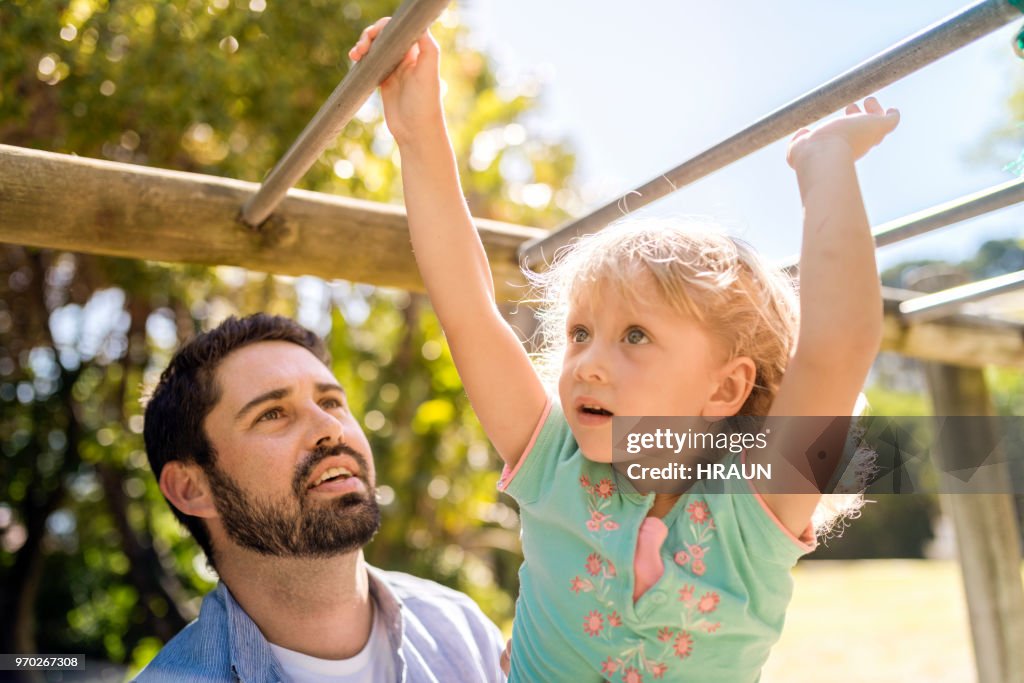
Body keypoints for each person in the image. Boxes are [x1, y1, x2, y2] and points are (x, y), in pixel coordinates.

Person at [351, 18, 899, 682]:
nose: (587, 362)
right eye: (579, 333)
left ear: (725, 388)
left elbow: (838, 346)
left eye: (635, 335)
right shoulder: (551, 461)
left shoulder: (755, 508)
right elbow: (467, 308)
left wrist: (827, 163)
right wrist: (419, 132)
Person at [135, 313, 505, 682]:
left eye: (330, 402)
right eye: (273, 413)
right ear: (191, 488)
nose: (331, 428)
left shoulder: (463, 633)